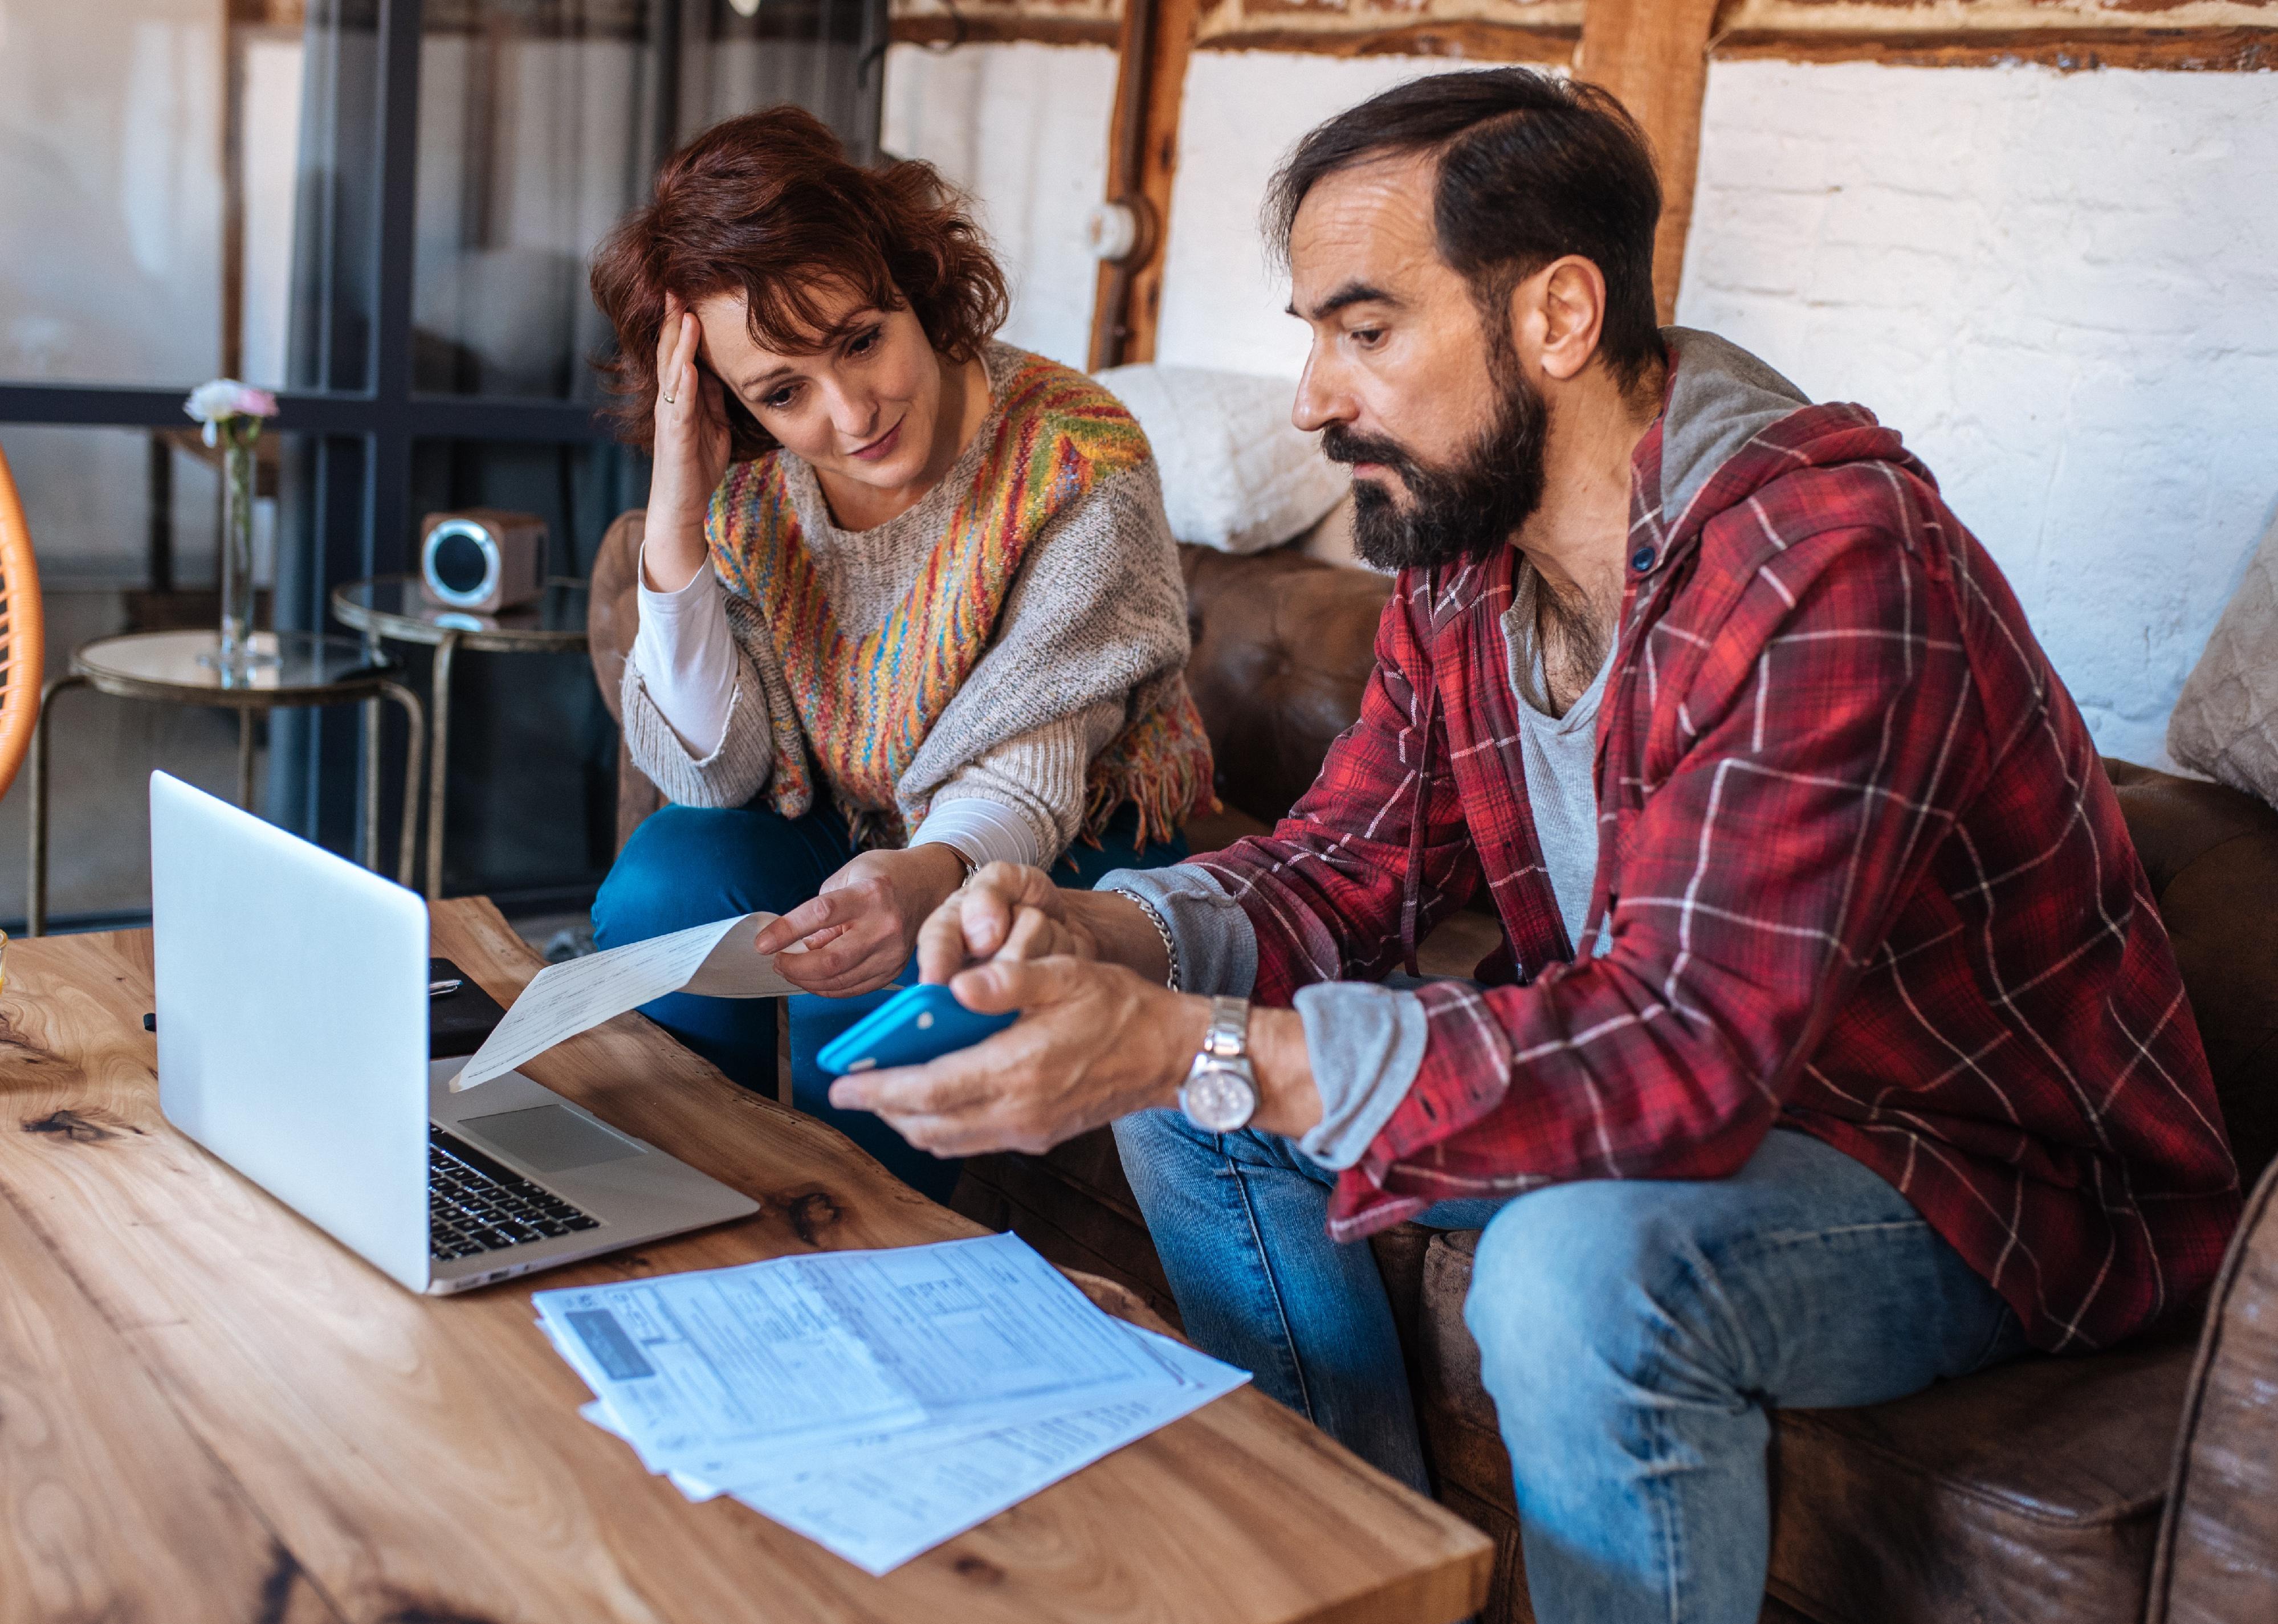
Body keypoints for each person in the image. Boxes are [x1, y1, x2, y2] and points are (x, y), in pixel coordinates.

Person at [825, 69, 2243, 1621]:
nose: (1310, 396)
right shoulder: (1459, 557)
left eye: (1362, 331)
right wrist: (1102, 941)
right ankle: (1363, 1579)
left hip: (1966, 1174)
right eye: (1312, 335)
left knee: (1570, 1275)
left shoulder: (1826, 561)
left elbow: (1688, 1052)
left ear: (1557, 317)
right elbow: (1339, 867)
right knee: (1193, 1097)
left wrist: (1188, 1040)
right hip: (1699, 1107)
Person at [584, 108, 1212, 1199]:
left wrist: (926, 877)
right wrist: (676, 521)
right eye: (783, 392)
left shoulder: (1075, 460)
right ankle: (683, 1206)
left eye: (861, 339)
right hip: (860, 820)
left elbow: (1031, 769)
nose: (852, 411)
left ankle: (860, 1259)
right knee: (660, 883)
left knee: (870, 986)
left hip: (1073, 830)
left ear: (914, 283)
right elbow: (712, 775)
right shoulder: (745, 489)